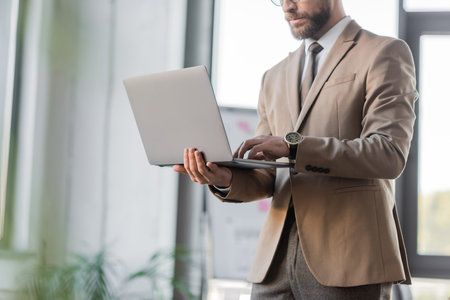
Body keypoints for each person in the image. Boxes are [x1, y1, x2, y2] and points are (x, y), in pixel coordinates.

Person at [174, 0, 418, 298]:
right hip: (273, 264)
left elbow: (387, 153)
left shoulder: (384, 52)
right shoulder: (273, 76)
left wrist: (293, 148)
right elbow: (266, 177)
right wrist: (222, 178)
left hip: (350, 259)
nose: (288, 6)